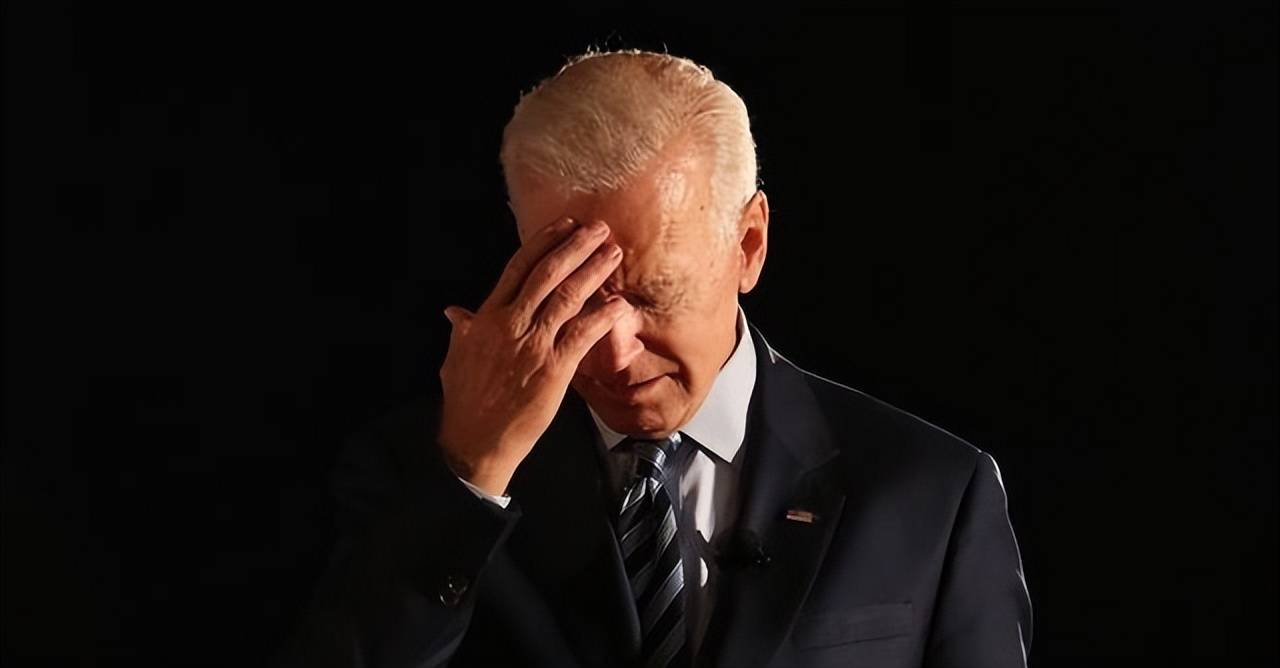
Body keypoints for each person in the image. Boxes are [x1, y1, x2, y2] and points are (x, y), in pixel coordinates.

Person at [275, 49, 1032, 668]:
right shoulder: (407, 473)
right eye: (571, 294)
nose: (612, 352)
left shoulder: (934, 493)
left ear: (749, 245)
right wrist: (469, 480)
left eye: (655, 294)